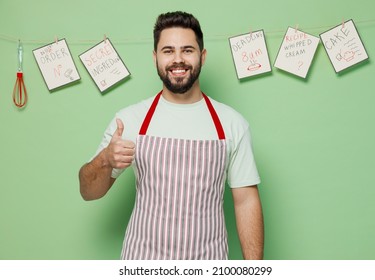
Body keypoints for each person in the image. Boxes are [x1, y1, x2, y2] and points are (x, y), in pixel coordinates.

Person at [79, 11, 264, 260]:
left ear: (203, 56)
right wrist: (105, 159)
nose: (178, 59)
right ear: (155, 57)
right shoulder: (130, 120)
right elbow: (89, 192)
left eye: (187, 50)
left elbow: (246, 202)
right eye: (168, 51)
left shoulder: (232, 123)